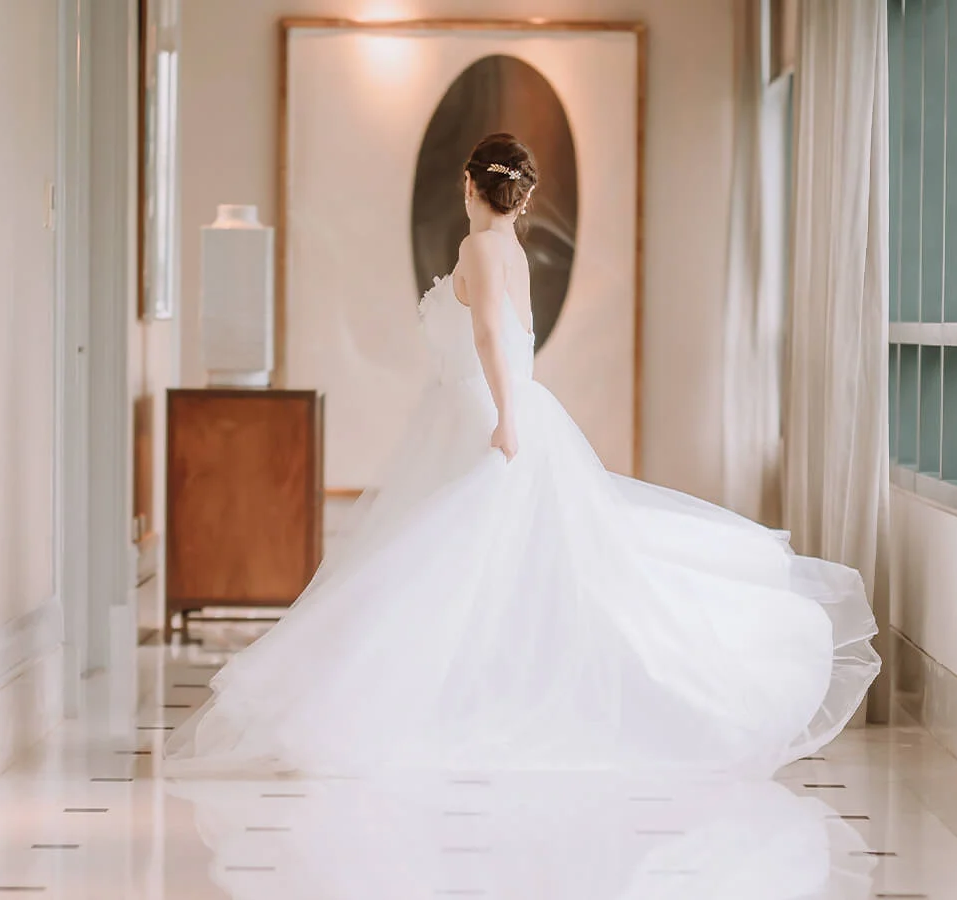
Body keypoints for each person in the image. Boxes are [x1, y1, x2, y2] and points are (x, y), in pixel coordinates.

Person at [165, 133, 879, 779]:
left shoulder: (478, 248)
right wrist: (515, 409)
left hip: (489, 411)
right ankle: (468, 694)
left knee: (450, 559)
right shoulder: (511, 250)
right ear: (521, 196)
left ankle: (450, 704)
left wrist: (507, 419)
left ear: (471, 187)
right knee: (478, 562)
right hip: (497, 408)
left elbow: (492, 341)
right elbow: (520, 338)